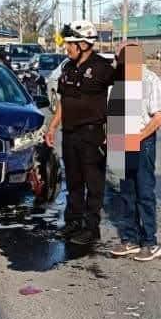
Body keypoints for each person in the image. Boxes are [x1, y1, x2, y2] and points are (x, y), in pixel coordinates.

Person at [45, 21, 116, 245]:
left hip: (92, 134)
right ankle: (73, 223)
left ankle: (91, 228)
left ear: (84, 44)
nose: (67, 48)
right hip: (70, 134)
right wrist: (53, 126)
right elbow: (64, 102)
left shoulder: (103, 68)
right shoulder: (68, 67)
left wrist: (116, 132)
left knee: (93, 184)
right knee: (74, 182)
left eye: (70, 44)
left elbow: (123, 99)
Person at [109, 42, 161, 262]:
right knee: (125, 193)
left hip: (142, 141)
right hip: (120, 140)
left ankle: (150, 243)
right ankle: (130, 240)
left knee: (144, 192)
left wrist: (137, 137)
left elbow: (159, 116)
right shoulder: (119, 80)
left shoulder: (149, 80)